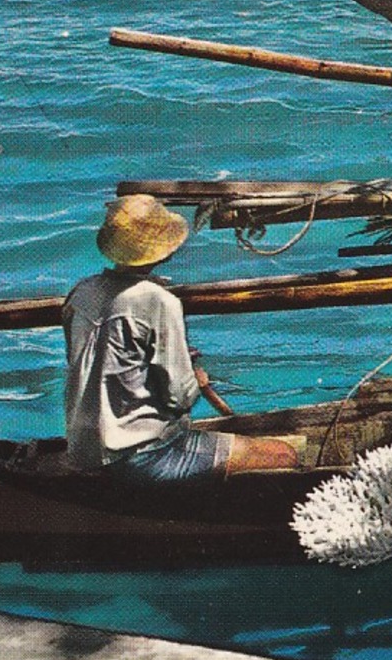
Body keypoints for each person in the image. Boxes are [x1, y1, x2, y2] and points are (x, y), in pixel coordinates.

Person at [62, 195, 300, 483]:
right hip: (140, 454)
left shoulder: (81, 292)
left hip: (83, 449)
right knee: (283, 455)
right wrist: (194, 377)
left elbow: (100, 366)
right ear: (162, 250)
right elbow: (180, 397)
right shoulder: (159, 301)